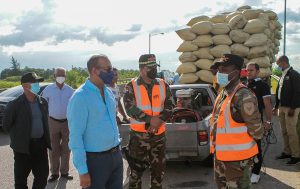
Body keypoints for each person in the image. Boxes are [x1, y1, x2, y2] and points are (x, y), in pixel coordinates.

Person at [67, 54, 123, 189]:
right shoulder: (80, 97)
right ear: (94, 70)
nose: (112, 73)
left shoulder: (108, 92)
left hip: (115, 155)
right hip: (95, 161)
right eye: (108, 69)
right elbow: (75, 137)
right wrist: (83, 171)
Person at [210, 54, 264, 189]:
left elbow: (257, 131)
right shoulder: (223, 94)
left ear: (236, 72)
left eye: (224, 70)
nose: (220, 73)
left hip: (238, 162)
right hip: (221, 158)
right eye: (219, 70)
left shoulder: (244, 96)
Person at [123, 54, 174, 189]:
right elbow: (130, 108)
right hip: (138, 138)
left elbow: (170, 105)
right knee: (135, 174)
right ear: (142, 69)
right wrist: (151, 120)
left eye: (155, 67)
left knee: (158, 173)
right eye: (150, 68)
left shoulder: (163, 84)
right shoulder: (131, 86)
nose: (154, 70)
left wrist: (159, 120)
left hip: (159, 137)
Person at [3, 72, 51, 189]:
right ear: (25, 86)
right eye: (35, 82)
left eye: (38, 82)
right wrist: (20, 136)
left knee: (42, 176)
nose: (38, 85)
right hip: (23, 148)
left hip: (40, 146)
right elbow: (6, 125)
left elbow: (45, 123)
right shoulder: (14, 105)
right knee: (21, 181)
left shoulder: (43, 102)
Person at [42, 67, 74, 182]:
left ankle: (64, 172)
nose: (61, 77)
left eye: (63, 75)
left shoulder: (70, 90)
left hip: (67, 123)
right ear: (54, 76)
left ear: (65, 76)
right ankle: (54, 173)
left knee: (66, 148)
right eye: (58, 75)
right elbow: (43, 106)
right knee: (53, 149)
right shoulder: (48, 90)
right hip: (52, 122)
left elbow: (74, 108)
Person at [246, 62, 272, 183]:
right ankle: (249, 168)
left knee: (256, 148)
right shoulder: (245, 85)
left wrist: (268, 121)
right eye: (247, 70)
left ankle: (256, 173)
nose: (249, 72)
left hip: (257, 122)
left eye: (251, 70)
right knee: (246, 148)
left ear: (257, 72)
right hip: (244, 124)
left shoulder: (263, 85)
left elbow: (267, 105)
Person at [273, 55, 300, 165]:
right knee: (284, 131)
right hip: (282, 107)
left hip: (291, 108)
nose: (277, 66)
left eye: (278, 63)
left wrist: (293, 108)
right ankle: (287, 151)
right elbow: (279, 92)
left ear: (284, 62)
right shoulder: (282, 75)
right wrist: (276, 106)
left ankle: (296, 155)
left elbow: (298, 92)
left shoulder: (294, 75)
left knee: (291, 132)